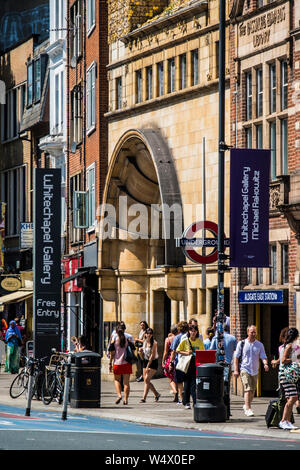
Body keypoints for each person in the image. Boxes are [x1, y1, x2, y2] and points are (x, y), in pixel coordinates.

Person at [233, 325, 269, 417]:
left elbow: (263, 356)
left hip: (255, 370)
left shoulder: (259, 345)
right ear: (248, 332)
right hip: (244, 369)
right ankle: (248, 409)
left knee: (252, 391)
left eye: (254, 332)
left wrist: (265, 364)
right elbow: (236, 357)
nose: (253, 334)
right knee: (248, 389)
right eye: (251, 332)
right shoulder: (242, 343)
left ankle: (246, 404)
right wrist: (236, 370)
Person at [210, 324, 237, 417]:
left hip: (217, 366)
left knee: (218, 388)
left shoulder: (215, 338)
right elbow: (235, 350)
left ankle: (219, 408)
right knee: (226, 388)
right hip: (228, 365)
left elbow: (211, 351)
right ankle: (227, 411)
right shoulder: (233, 338)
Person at [176, 325, 204, 409]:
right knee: (187, 384)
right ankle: (186, 402)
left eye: (195, 331)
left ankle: (195, 402)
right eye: (191, 331)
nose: (193, 333)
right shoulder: (185, 341)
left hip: (195, 364)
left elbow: (202, 351)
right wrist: (186, 353)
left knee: (194, 384)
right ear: (189, 332)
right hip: (187, 364)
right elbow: (177, 350)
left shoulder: (199, 341)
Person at [278, 328, 300, 430]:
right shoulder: (290, 346)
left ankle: (287, 421)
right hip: (286, 374)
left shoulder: (288, 346)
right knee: (293, 397)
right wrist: (294, 359)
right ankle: (283, 421)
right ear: (296, 336)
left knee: (292, 397)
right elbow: (283, 360)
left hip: (287, 374)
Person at [109, 325, 133, 405]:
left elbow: (112, 353)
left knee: (117, 380)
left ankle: (119, 395)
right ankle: (126, 399)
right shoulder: (127, 339)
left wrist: (110, 363)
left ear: (116, 331)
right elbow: (132, 349)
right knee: (126, 383)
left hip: (117, 363)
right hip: (126, 363)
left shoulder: (114, 339)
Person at [169, 321, 189, 405]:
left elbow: (173, 351)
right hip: (189, 361)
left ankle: (181, 399)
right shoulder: (189, 336)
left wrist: (170, 362)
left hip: (179, 362)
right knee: (187, 380)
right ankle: (187, 397)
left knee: (180, 381)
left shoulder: (177, 338)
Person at [140, 328, 160, 403]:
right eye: (147, 333)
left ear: (152, 335)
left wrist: (148, 366)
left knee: (147, 379)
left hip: (153, 362)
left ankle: (144, 397)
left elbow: (152, 355)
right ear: (145, 334)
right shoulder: (144, 342)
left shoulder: (154, 343)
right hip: (145, 361)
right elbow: (143, 355)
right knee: (146, 380)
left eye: (150, 333)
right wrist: (141, 351)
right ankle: (156, 394)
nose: (148, 335)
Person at [162, 325, 178, 401]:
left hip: (170, 359)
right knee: (176, 377)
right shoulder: (179, 338)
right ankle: (176, 397)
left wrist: (163, 361)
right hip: (178, 358)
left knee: (170, 377)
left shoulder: (168, 339)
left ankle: (175, 390)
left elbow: (165, 352)